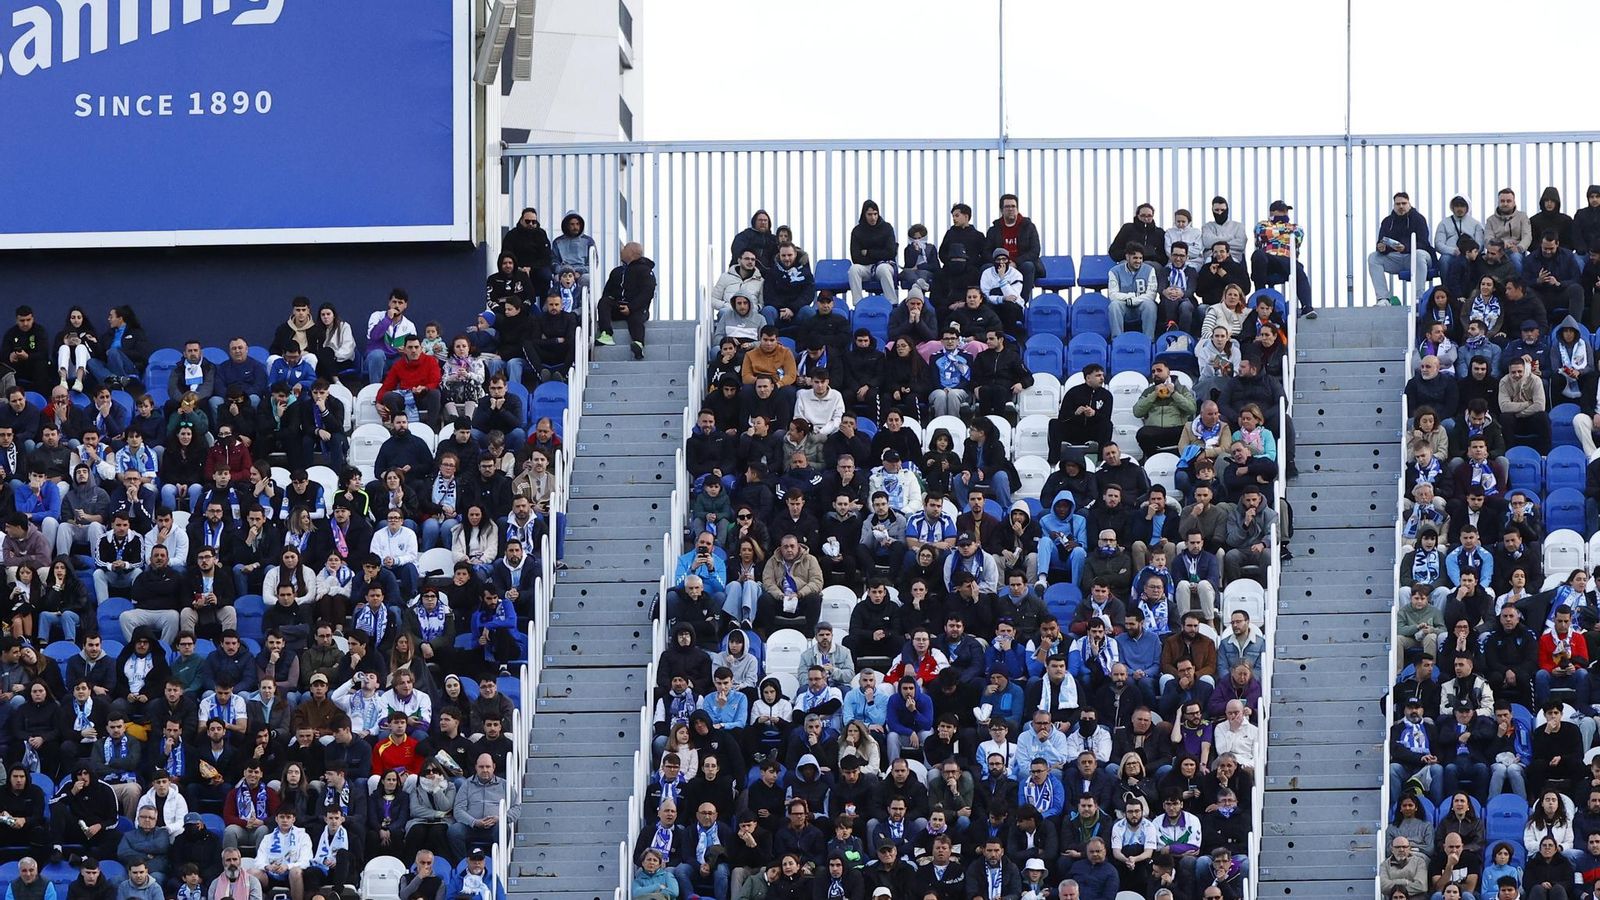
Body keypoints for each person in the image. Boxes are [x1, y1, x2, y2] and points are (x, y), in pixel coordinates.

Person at [1368, 192, 1436, 305]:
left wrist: (1406, 248)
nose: (1401, 206)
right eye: (1398, 204)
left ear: (1409, 204)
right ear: (1394, 205)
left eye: (1404, 203)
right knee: (1373, 257)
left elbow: (1424, 243)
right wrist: (1381, 247)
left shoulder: (1419, 219)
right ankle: (1383, 299)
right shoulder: (1387, 221)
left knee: (1419, 254)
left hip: (1416, 257)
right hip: (1396, 259)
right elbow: (1381, 241)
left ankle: (1419, 298)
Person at [595, 242, 658, 360]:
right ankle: (606, 334)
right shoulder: (617, 272)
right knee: (604, 302)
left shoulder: (645, 270)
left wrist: (631, 307)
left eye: (624, 249)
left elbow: (647, 293)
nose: (621, 251)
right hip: (618, 306)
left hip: (636, 308)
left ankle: (638, 343)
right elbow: (607, 291)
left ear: (631, 253)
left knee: (636, 318)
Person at [1250, 201, 1314, 317]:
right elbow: (1262, 233)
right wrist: (1285, 232)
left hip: (1286, 259)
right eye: (1281, 211)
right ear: (1272, 213)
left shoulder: (1295, 226)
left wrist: (1274, 233)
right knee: (1258, 255)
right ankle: (1260, 296)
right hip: (1268, 259)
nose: (1285, 213)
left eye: (1286, 211)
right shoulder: (1262, 224)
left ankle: (1307, 307)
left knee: (1298, 269)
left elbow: (1298, 235)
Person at [987, 194, 1045, 298]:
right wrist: (1000, 262)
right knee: (985, 267)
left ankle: (1022, 301)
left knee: (1028, 266)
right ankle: (991, 301)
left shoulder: (1028, 227)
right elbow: (986, 251)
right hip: (999, 264)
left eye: (1013, 206)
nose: (1011, 209)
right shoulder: (994, 230)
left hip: (1021, 264)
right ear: (1001, 210)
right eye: (1007, 206)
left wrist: (1016, 262)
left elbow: (1035, 250)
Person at [848, 200, 898, 304]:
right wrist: (879, 255)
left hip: (884, 264)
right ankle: (858, 304)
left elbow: (891, 253)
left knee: (883, 269)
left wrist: (868, 253)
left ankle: (892, 303)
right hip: (866, 267)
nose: (873, 217)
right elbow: (856, 258)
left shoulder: (887, 228)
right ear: (864, 215)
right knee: (854, 270)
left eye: (875, 214)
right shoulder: (857, 231)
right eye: (869, 214)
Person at [1105, 244, 1158, 339]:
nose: (1138, 261)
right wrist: (1130, 297)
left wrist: (1135, 300)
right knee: (1114, 305)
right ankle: (1117, 339)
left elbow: (1152, 295)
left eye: (1140, 258)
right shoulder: (1114, 271)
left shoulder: (1150, 270)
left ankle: (1149, 339)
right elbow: (1113, 295)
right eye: (1135, 258)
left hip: (1141, 305)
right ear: (1127, 257)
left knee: (1150, 305)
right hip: (1124, 305)